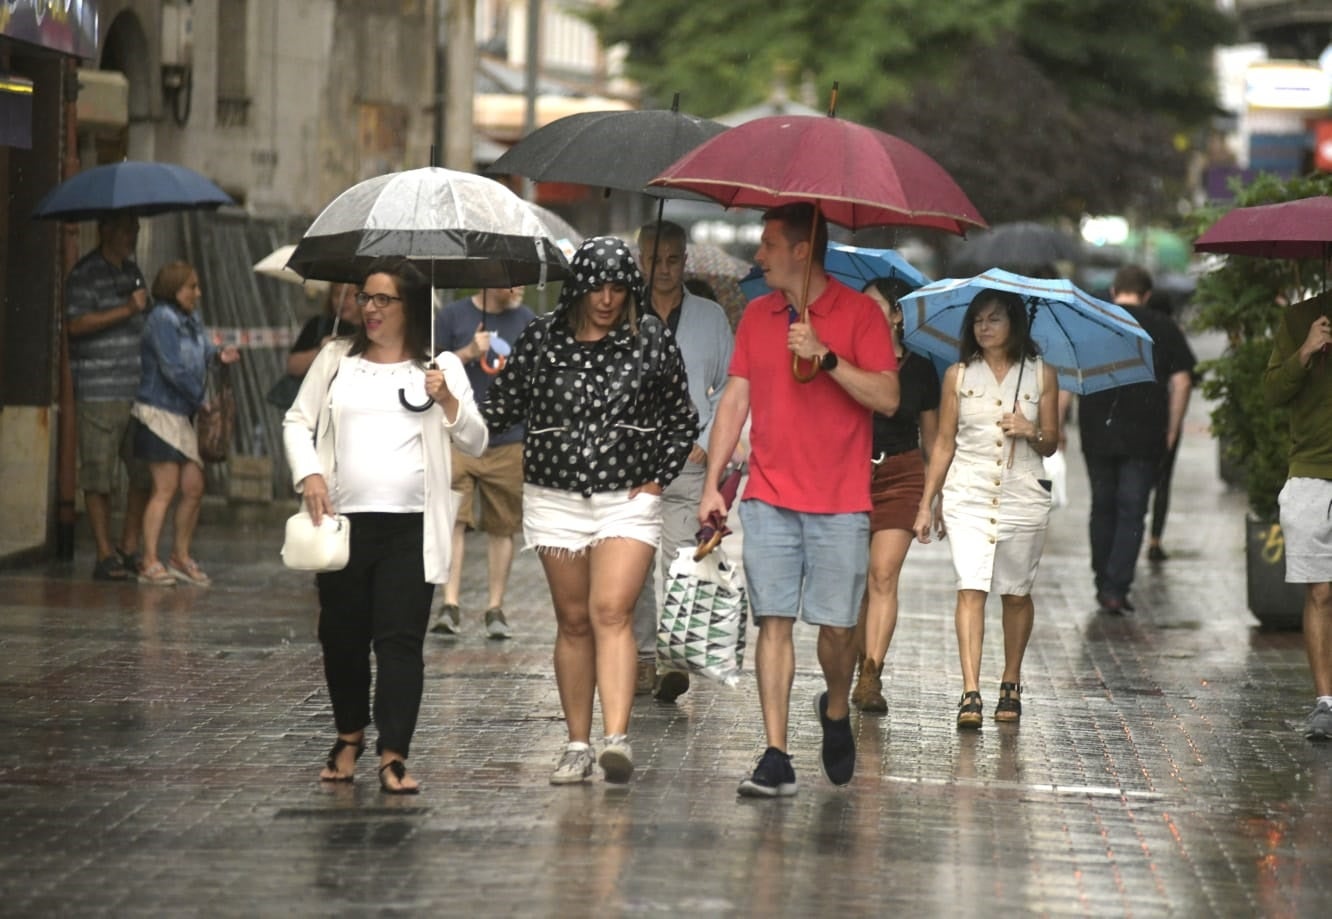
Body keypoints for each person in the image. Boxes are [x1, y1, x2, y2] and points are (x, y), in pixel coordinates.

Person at [699, 203, 899, 798]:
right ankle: (776, 754)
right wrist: (713, 484)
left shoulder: (860, 314)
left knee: (837, 630)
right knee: (774, 621)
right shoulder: (757, 315)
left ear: (802, 249)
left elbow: (887, 397)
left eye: (768, 244)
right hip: (768, 496)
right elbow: (735, 399)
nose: (758, 255)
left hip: (840, 501)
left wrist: (826, 357)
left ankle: (835, 709)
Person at [482, 237, 697, 785]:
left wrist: (658, 477)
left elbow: (681, 417)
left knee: (611, 611)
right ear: (576, 287)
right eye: (596, 287)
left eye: (618, 288)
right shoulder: (541, 338)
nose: (606, 299)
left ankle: (616, 738)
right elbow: (499, 409)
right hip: (554, 499)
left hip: (627, 500)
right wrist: (450, 395)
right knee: (574, 621)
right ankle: (577, 744)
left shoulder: (651, 338)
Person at [283, 257, 488, 793]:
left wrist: (447, 399)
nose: (368, 308)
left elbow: (476, 440)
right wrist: (310, 474)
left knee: (399, 642)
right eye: (364, 297)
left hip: (411, 529)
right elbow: (297, 421)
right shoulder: (336, 359)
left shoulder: (440, 365)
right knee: (342, 637)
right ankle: (348, 734)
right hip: (342, 525)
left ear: (410, 305)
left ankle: (394, 753)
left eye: (382, 299)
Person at [913, 289, 1058, 729]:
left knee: (1016, 593)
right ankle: (970, 691)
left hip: (1023, 494)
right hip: (968, 493)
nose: (984, 327)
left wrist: (1030, 430)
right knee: (970, 587)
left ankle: (1010, 681)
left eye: (995, 319)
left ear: (1014, 322)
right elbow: (943, 443)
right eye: (978, 320)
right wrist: (927, 502)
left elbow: (1051, 442)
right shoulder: (958, 376)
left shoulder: (1041, 374)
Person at [629, 220, 735, 702]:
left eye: (674, 259)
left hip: (688, 462)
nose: (665, 269)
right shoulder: (623, 312)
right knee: (632, 565)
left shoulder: (710, 318)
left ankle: (673, 659)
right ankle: (642, 656)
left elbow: (732, 385)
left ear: (685, 260)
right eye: (655, 260)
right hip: (631, 464)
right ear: (641, 261)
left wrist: (709, 438)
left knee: (680, 563)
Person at [1076, 265, 1195, 613]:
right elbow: (1182, 382)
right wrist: (1172, 427)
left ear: (1114, 291)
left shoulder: (1094, 324)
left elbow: (1068, 374)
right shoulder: (1164, 326)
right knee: (1133, 509)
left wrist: (1057, 419)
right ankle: (1116, 587)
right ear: (1147, 295)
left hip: (1097, 428)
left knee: (1102, 505)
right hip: (1146, 431)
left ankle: (1102, 578)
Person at [851, 277, 940, 713]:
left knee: (883, 576)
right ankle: (853, 662)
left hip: (901, 473)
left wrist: (932, 500)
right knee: (855, 582)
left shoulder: (921, 368)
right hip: (848, 475)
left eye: (875, 306)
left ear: (897, 314)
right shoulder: (845, 361)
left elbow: (934, 441)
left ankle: (871, 674)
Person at [430, 285, 535, 639]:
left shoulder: (526, 320)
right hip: (458, 435)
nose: (519, 287)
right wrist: (468, 352)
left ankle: (494, 608)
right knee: (454, 519)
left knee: (503, 525)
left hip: (509, 440)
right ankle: (450, 604)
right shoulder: (452, 317)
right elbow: (431, 373)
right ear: (491, 279)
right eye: (511, 280)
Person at [129, 261, 240, 587]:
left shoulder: (191, 318)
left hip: (182, 414)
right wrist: (201, 399)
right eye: (192, 287)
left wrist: (219, 355)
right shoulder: (162, 318)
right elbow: (172, 367)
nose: (197, 293)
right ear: (175, 288)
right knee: (165, 487)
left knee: (193, 486)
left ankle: (179, 556)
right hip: (159, 412)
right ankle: (149, 560)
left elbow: (203, 349)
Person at [65, 214, 152, 580]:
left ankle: (128, 546)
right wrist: (126, 309)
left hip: (137, 389)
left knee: (144, 472)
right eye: (128, 229)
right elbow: (76, 324)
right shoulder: (84, 274)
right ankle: (104, 553)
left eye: (136, 229)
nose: (134, 235)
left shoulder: (133, 271)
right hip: (99, 390)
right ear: (106, 231)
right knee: (99, 474)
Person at [1263, 292, 1332, 740]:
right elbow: (1272, 392)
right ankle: (1326, 702)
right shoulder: (1301, 318)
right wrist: (1306, 350)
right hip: (1311, 475)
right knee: (1321, 592)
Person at [1145, 290, 1198, 563]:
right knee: (1163, 482)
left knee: (1135, 479)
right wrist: (1174, 427)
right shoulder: (1172, 333)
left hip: (1136, 415)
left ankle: (1131, 532)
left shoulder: (1137, 329)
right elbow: (1188, 378)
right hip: (1166, 416)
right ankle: (1155, 540)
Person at [285, 282, 361, 381]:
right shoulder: (319, 324)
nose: (341, 301)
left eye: (347, 295)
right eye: (336, 295)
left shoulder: (369, 331)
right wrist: (321, 350)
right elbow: (292, 366)